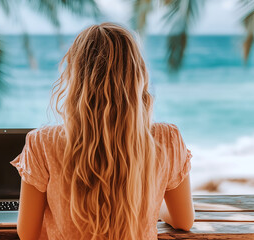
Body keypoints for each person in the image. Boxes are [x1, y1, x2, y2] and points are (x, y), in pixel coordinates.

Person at [10, 22, 194, 240]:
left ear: (77, 78)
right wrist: (154, 209)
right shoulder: (167, 139)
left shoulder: (42, 143)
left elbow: (27, 234)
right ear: (137, 76)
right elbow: (184, 221)